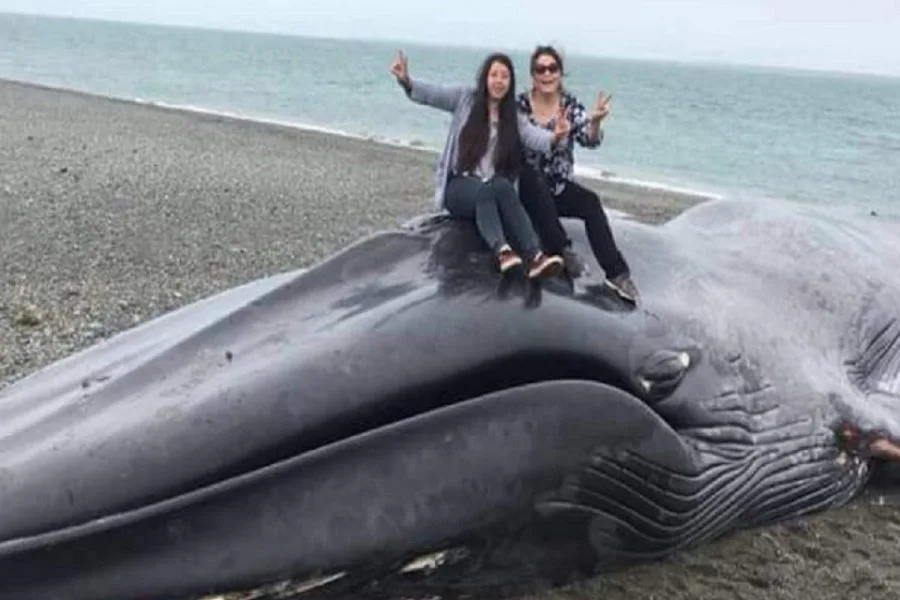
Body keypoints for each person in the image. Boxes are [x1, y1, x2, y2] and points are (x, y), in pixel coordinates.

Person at [390, 50, 567, 279]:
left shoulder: (511, 115)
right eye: (494, 75)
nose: (499, 81)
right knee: (487, 191)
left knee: (503, 186)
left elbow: (535, 137)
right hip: (459, 186)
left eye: (505, 76)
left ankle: (535, 257)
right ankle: (502, 251)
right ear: (485, 77)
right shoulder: (465, 99)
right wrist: (406, 80)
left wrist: (556, 137)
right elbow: (434, 94)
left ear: (510, 82)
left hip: (490, 186)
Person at [516, 44, 640, 304]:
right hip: (528, 190)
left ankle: (617, 274)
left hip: (559, 188)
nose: (547, 74)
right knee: (530, 175)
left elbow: (590, 140)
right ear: (533, 75)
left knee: (591, 202)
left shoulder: (570, 105)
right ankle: (563, 249)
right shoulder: (521, 105)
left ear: (560, 73)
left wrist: (595, 122)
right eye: (541, 69)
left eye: (553, 68)